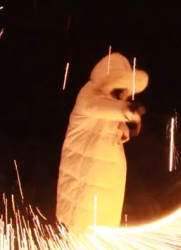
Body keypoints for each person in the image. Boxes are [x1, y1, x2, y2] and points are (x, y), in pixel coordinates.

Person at [56, 52, 147, 232]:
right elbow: (100, 108)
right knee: (83, 226)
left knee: (101, 227)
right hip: (84, 177)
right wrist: (130, 112)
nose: (125, 92)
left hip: (105, 177)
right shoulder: (89, 95)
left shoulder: (111, 102)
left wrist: (126, 127)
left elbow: (113, 115)